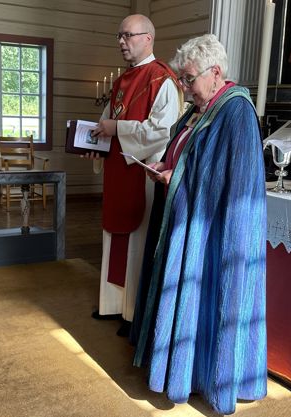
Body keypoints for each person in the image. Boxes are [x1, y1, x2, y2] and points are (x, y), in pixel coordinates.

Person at [130, 34, 267, 415]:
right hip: (184, 217)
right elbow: (186, 150)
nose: (184, 88)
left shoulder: (235, 111)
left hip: (210, 230)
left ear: (216, 73)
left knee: (206, 298)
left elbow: (233, 181)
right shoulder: (200, 108)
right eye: (183, 80)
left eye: (188, 79)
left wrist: (176, 178)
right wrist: (165, 164)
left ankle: (201, 377)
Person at [88, 14, 182, 336]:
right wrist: (94, 143)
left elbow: (162, 131)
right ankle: (112, 304)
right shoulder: (121, 81)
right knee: (115, 239)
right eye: (119, 36)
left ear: (148, 38)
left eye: (128, 35)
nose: (121, 42)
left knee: (137, 241)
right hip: (117, 171)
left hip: (141, 173)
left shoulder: (162, 80)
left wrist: (116, 129)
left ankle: (132, 313)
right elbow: (104, 126)